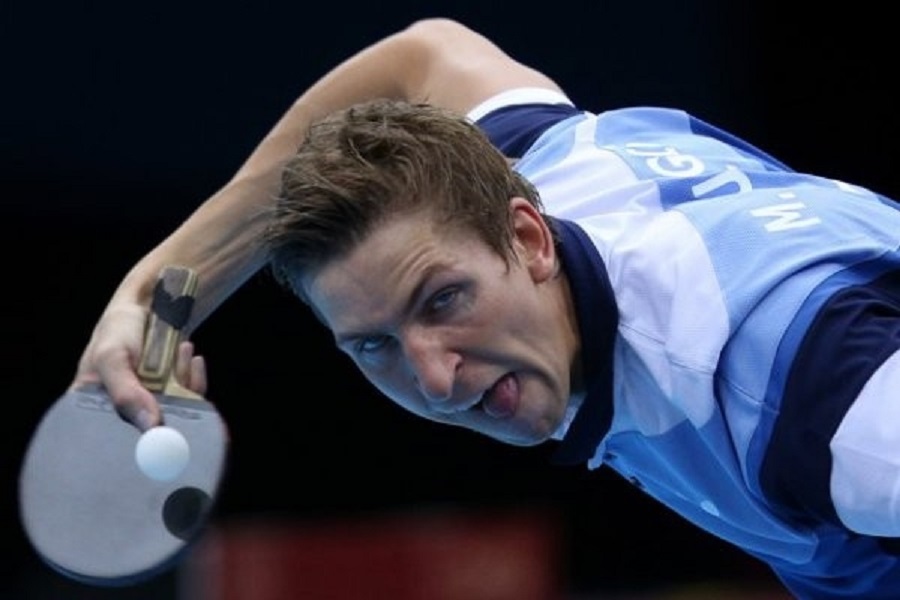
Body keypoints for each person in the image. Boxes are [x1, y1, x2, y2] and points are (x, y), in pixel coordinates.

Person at [71, 17, 900, 599]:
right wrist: (157, 295)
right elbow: (420, 56)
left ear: (530, 240)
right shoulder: (546, 163)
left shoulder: (804, 400)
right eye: (374, 347)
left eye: (443, 300)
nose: (436, 380)